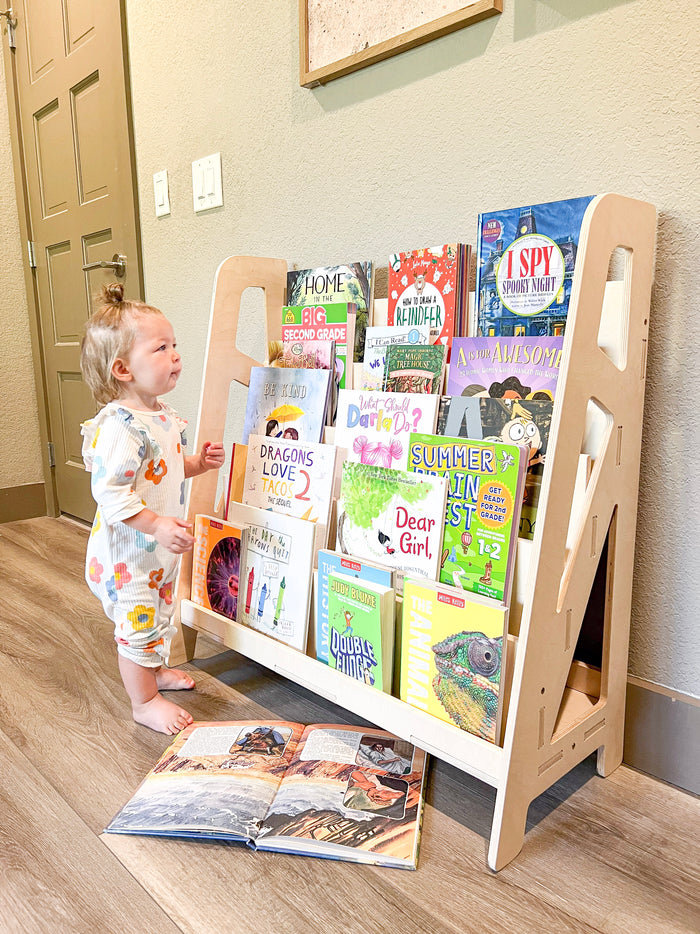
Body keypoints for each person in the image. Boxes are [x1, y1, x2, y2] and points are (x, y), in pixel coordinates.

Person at [80, 283, 225, 734]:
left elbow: (162, 469)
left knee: (160, 614)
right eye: (161, 348)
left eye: (175, 345)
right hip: (129, 557)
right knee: (139, 622)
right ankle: (143, 700)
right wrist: (158, 524)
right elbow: (112, 493)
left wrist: (196, 463)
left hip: (156, 551)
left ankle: (155, 671)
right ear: (123, 369)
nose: (175, 355)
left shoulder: (161, 415)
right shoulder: (122, 426)